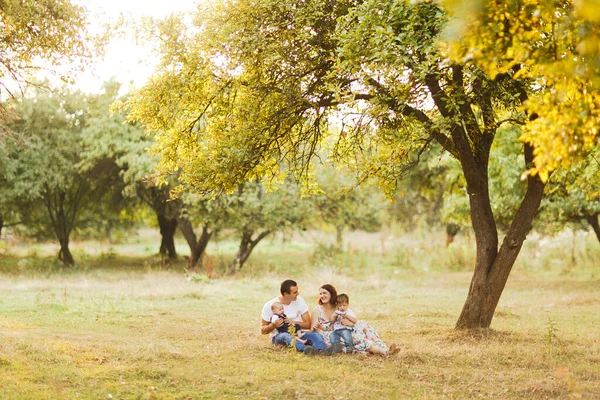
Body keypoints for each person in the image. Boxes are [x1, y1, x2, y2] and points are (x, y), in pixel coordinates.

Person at [310, 284, 398, 355]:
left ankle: (384, 347)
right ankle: (384, 351)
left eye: (324, 293)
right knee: (356, 338)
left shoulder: (338, 306)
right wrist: (317, 327)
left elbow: (351, 320)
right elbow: (312, 331)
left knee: (362, 324)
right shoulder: (317, 310)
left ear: (331, 293)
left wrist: (348, 323)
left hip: (345, 328)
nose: (322, 296)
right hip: (331, 334)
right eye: (320, 294)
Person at [261, 279, 343, 355]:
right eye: (295, 292)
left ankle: (324, 349)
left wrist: (292, 322)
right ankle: (305, 349)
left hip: (297, 332)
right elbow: (263, 331)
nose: (298, 294)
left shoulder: (299, 301)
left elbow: (308, 324)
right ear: (286, 294)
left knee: (315, 335)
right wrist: (273, 325)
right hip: (280, 335)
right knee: (286, 336)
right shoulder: (270, 306)